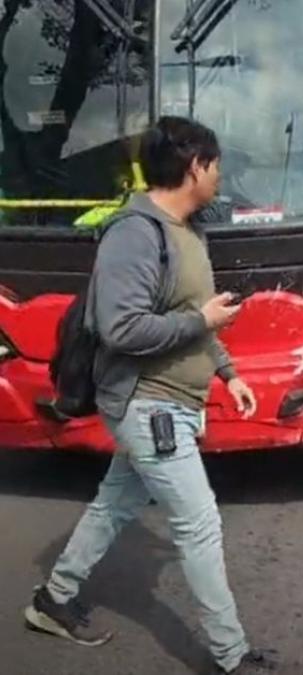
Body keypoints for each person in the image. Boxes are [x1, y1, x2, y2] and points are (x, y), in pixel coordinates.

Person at [22, 117, 278, 674]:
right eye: (215, 166)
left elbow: (196, 321)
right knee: (200, 522)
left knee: (116, 503)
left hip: (175, 403)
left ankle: (53, 600)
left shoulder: (188, 233)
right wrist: (198, 320)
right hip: (146, 402)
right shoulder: (135, 233)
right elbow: (121, 329)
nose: (219, 177)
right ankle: (232, 657)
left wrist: (228, 372)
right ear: (194, 167)